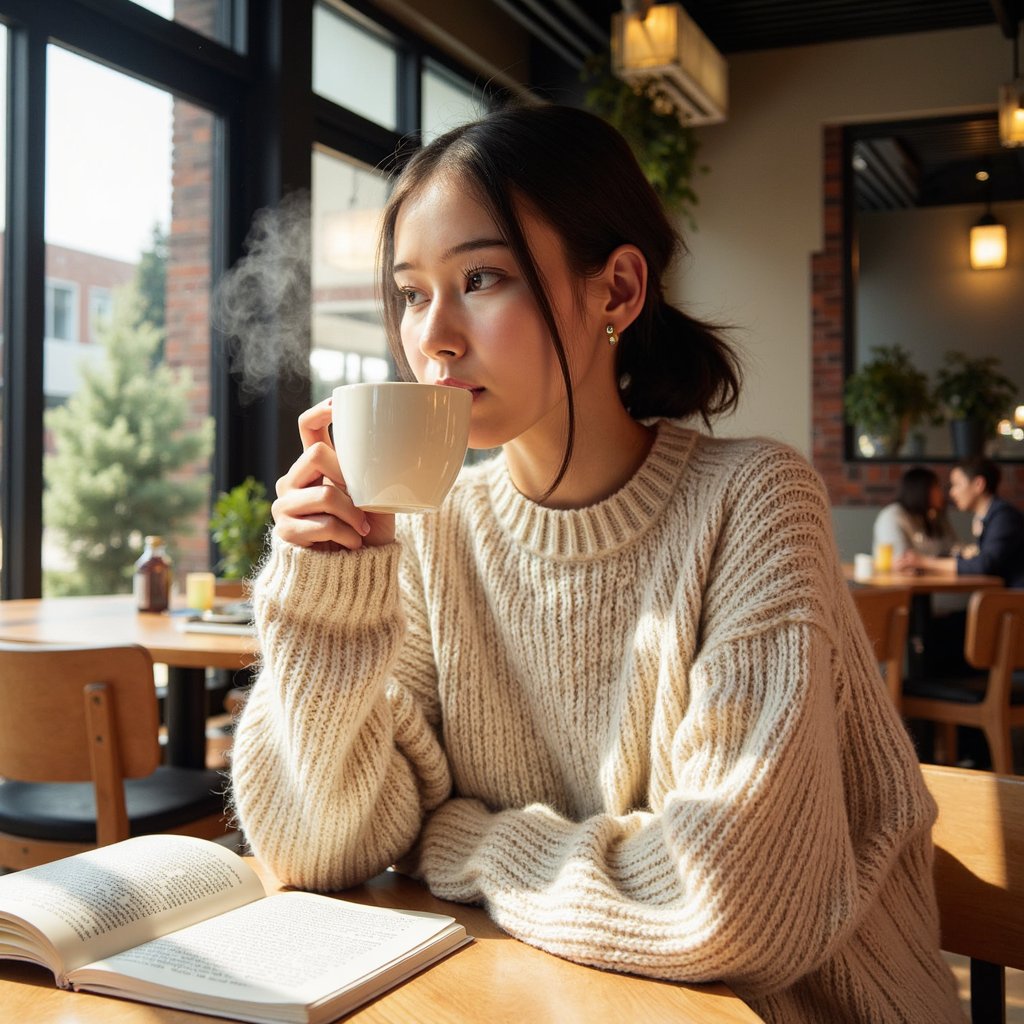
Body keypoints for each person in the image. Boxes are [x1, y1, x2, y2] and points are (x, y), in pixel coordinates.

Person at [231, 104, 961, 1023]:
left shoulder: (754, 503)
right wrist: (327, 590)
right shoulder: (432, 532)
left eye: (482, 277)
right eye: (413, 293)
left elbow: (734, 906)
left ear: (617, 290)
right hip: (550, 998)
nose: (434, 337)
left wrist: (459, 839)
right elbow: (316, 849)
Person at [896, 457, 1024, 587]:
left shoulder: (1004, 517)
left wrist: (925, 562)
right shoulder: (990, 516)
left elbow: (984, 565)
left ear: (978, 484)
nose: (952, 492)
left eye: (957, 484)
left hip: (1014, 600)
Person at [873, 465, 960, 562]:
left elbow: (955, 547)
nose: (941, 493)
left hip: (934, 575)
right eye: (936, 487)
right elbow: (901, 560)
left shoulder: (934, 516)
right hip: (899, 576)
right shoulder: (892, 517)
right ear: (921, 491)